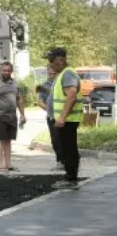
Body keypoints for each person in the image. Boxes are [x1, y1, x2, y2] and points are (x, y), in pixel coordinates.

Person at [47, 47, 83, 189]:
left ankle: (71, 178)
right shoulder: (62, 74)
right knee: (66, 148)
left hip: (68, 120)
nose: (50, 64)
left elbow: (72, 97)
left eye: (52, 60)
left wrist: (62, 117)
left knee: (69, 148)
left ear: (61, 60)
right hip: (64, 120)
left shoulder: (68, 74)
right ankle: (70, 176)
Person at [0, 61, 26, 172]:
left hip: (12, 116)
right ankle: (0, 165)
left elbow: (19, 99)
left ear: (11, 71)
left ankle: (8, 164)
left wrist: (22, 115)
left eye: (8, 70)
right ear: (1, 70)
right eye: (4, 70)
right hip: (0, 115)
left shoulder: (14, 83)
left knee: (8, 140)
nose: (6, 72)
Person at [38, 64, 64, 170]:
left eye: (55, 73)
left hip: (63, 116)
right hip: (51, 117)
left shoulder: (62, 83)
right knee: (55, 140)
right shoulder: (45, 85)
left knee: (64, 139)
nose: (52, 75)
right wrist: (48, 109)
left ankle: (67, 161)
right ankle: (60, 161)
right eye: (50, 73)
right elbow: (40, 102)